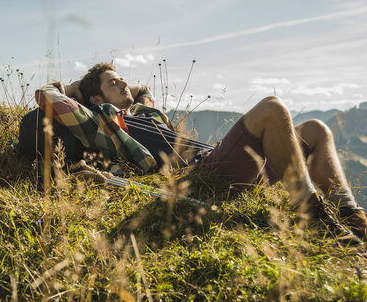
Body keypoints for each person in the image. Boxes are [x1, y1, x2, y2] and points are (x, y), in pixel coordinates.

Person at [20, 62, 367, 246]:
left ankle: (351, 215)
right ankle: (311, 214)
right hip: (202, 174)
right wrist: (82, 86)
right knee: (272, 109)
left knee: (317, 130)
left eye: (123, 79)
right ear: (95, 99)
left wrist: (114, 83)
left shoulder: (143, 113)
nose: (124, 84)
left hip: (225, 160)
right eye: (114, 83)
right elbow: (49, 98)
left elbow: (143, 90)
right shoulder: (99, 124)